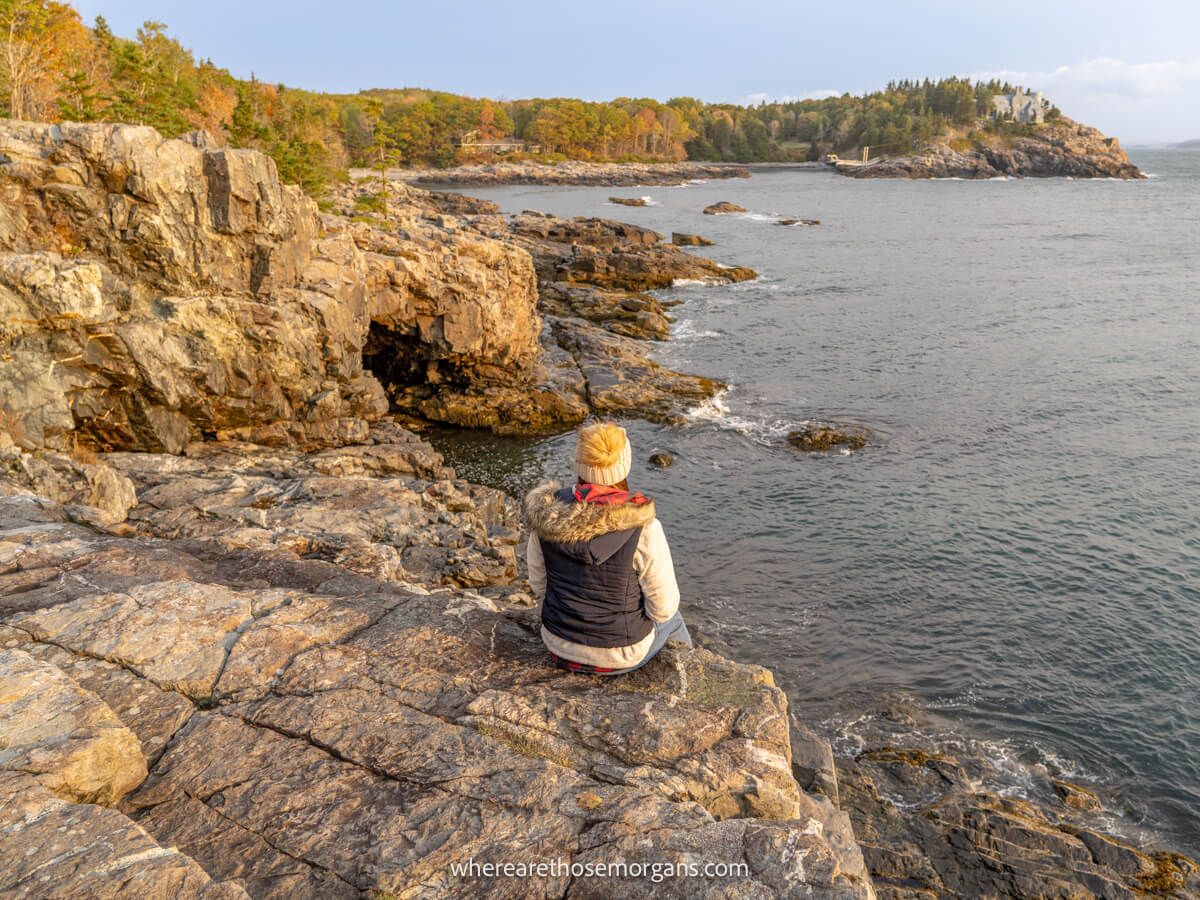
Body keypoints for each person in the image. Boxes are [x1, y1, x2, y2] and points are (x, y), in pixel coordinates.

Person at [524, 421, 691, 674]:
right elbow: (663, 608)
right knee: (674, 619)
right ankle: (688, 678)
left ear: (579, 464)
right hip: (621, 655)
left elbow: (539, 586)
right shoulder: (644, 527)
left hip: (557, 642)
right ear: (623, 466)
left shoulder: (547, 515)